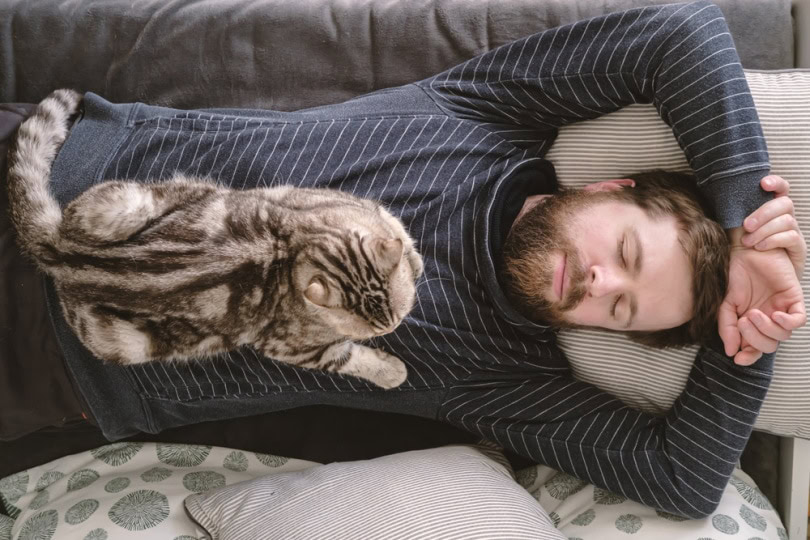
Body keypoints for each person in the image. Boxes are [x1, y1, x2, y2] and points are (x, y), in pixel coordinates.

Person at [10, 0, 807, 518]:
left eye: (621, 309)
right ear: (611, 185)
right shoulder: (488, 115)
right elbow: (684, 33)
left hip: (59, 361)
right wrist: (744, 219)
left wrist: (751, 334)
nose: (602, 283)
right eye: (626, 252)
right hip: (54, 169)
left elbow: (685, 479)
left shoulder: (515, 383)